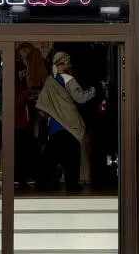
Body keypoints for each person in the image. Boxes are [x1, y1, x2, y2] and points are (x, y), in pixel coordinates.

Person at [36, 51, 96, 194]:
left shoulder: (49, 81)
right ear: (64, 63)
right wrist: (93, 91)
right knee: (71, 160)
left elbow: (43, 106)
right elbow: (80, 98)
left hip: (54, 128)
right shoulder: (69, 79)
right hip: (70, 126)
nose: (70, 65)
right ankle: (72, 187)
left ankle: (44, 184)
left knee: (50, 158)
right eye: (68, 62)